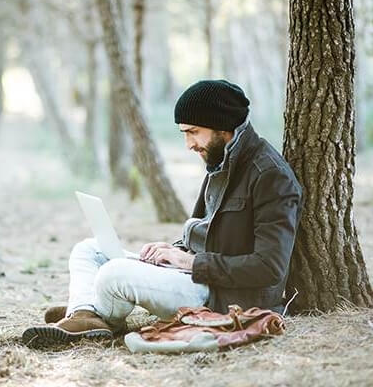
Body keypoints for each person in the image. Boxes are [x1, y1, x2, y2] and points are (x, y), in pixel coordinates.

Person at [22, 79, 303, 348]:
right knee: (88, 250)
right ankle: (85, 313)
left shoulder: (270, 176)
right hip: (196, 276)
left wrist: (191, 264)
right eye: (185, 134)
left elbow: (269, 267)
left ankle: (94, 311)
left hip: (223, 297)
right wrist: (171, 252)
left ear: (223, 127)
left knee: (112, 275)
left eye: (193, 132)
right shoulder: (221, 161)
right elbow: (204, 232)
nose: (189, 144)